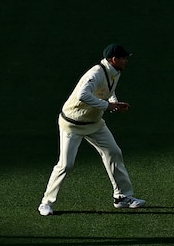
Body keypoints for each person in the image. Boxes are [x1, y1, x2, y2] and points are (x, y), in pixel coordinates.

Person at [38, 44, 145, 215]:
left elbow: (108, 91)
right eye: (124, 58)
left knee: (114, 152)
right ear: (114, 59)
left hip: (94, 123)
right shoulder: (95, 73)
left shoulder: (115, 72)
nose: (126, 61)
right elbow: (83, 95)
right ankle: (46, 203)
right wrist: (107, 106)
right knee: (66, 165)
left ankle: (122, 197)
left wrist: (114, 103)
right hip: (72, 124)